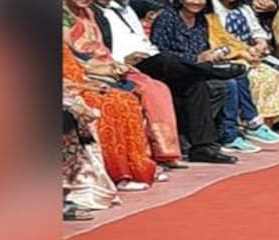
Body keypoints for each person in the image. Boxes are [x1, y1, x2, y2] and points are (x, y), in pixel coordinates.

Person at [64, 0, 188, 170]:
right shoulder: (62, 16)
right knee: (129, 98)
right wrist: (96, 67)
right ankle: (133, 162)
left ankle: (165, 152)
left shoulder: (90, 13)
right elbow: (70, 55)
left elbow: (103, 48)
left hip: (106, 64)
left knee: (158, 87)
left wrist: (116, 64)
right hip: (82, 72)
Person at [152, 0, 279, 154]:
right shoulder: (167, 18)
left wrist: (218, 54)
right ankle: (229, 135)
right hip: (176, 68)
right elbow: (159, 52)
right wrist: (196, 58)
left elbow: (210, 44)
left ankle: (248, 123)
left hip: (201, 65)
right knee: (229, 84)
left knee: (237, 72)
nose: (196, 2)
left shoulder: (202, 19)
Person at [63, 44, 160, 191]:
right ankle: (119, 173)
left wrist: (92, 82)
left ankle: (137, 167)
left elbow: (80, 66)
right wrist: (86, 87)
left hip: (81, 85)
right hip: (69, 92)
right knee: (109, 106)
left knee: (127, 100)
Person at [208, 0, 279, 125]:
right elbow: (217, 41)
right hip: (229, 55)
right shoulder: (212, 10)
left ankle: (270, 121)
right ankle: (249, 121)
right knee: (259, 76)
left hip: (249, 50)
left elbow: (256, 30)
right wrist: (241, 53)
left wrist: (261, 43)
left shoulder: (244, 9)